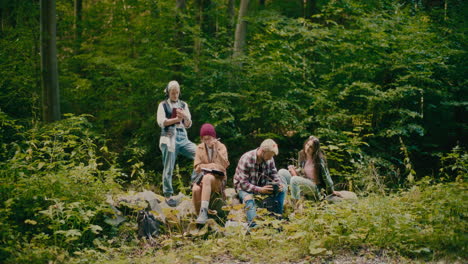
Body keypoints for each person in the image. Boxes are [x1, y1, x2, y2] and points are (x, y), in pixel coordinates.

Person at [157, 80, 196, 207]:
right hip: (168, 136)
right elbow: (161, 122)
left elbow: (188, 124)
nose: (175, 95)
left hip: (182, 136)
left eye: (177, 92)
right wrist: (176, 119)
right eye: (173, 93)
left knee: (199, 153)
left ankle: (195, 182)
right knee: (168, 166)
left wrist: (185, 116)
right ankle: (168, 194)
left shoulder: (184, 104)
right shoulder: (162, 105)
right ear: (168, 92)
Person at [234, 139, 289, 226]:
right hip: (245, 188)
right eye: (270, 155)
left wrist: (279, 184)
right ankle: (254, 226)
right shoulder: (246, 159)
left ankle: (278, 220)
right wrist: (260, 190)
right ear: (262, 151)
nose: (271, 158)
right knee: (249, 200)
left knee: (281, 191)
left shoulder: (270, 159)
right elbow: (243, 183)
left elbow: (274, 174)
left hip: (262, 186)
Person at [279, 136, 341, 204]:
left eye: (311, 147)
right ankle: (283, 200)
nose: (307, 148)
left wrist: (331, 191)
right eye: (307, 144)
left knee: (294, 180)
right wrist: (294, 170)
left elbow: (326, 176)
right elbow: (302, 171)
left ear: (315, 149)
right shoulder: (302, 154)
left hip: (314, 187)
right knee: (282, 172)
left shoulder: (319, 160)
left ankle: (296, 207)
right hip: (304, 181)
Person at [191, 123, 230, 224]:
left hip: (217, 178)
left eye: (209, 138)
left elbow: (224, 166)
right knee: (195, 189)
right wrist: (211, 165)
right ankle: (198, 215)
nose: (207, 141)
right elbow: (197, 167)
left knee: (208, 177)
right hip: (202, 177)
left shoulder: (221, 147)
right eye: (205, 139)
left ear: (214, 137)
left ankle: (204, 212)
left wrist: (216, 150)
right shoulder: (199, 148)